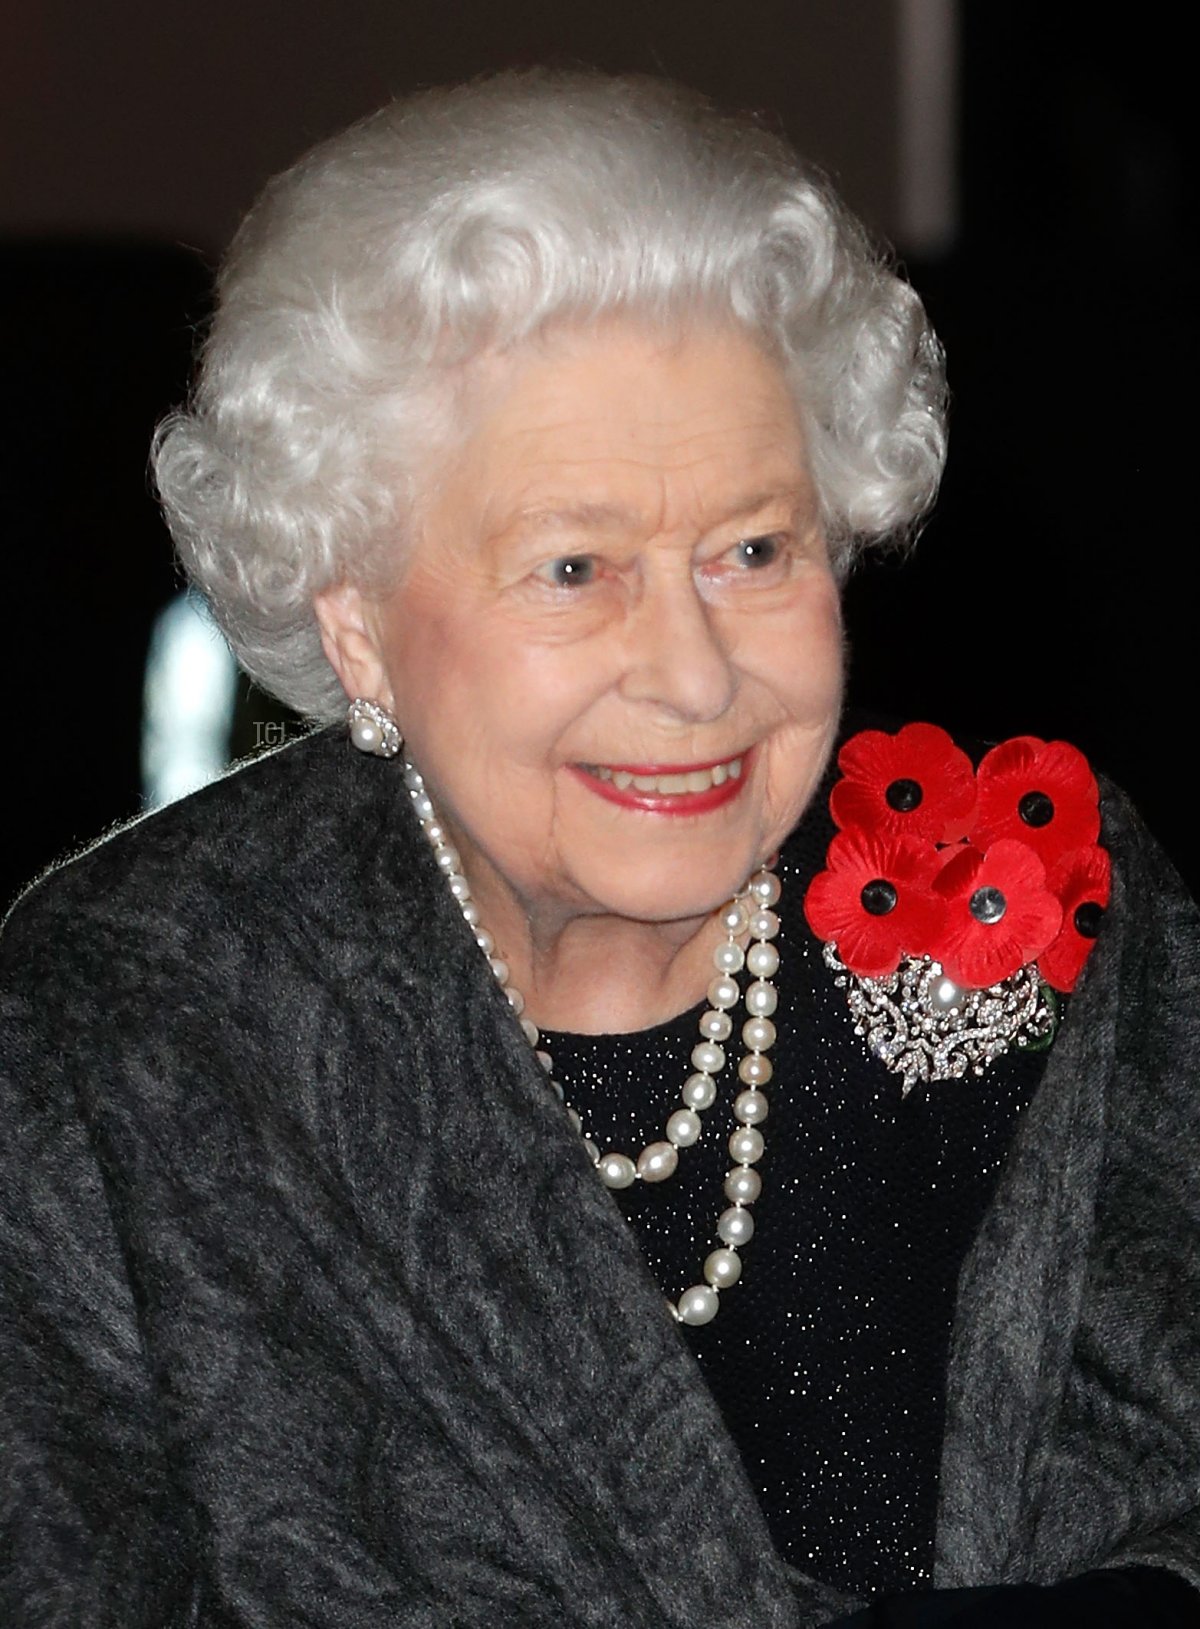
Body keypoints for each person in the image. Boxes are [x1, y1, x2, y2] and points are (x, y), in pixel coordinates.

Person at [1, 70, 1197, 1628]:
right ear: (354, 618)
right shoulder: (129, 1031)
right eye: (574, 568)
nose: (695, 678)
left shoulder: (1046, 894)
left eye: (753, 550)